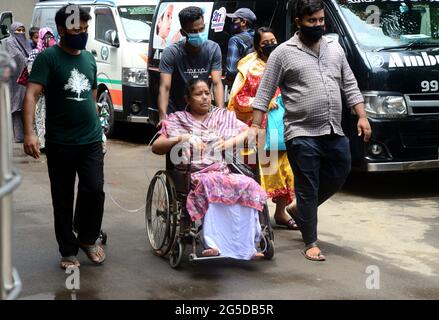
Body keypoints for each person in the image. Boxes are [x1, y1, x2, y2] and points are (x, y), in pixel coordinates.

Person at [251, 0, 372, 261]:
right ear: (299, 22)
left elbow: (349, 84)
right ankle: (310, 241)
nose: (318, 25)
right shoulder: (283, 53)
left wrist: (362, 115)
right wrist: (254, 126)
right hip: (300, 131)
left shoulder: (334, 48)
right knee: (307, 185)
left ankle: (299, 209)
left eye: (320, 20)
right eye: (311, 21)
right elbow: (265, 91)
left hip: (332, 128)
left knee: (341, 169)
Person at [22, 5, 106, 269]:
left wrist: (99, 130)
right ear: (61, 29)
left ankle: (88, 238)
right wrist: (29, 133)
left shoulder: (89, 59)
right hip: (61, 143)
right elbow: (31, 95)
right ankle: (68, 251)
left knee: (94, 189)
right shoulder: (48, 58)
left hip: (91, 139)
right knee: (62, 196)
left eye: (84, 29)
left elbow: (92, 97)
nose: (81, 33)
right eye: (75, 29)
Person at [152, 79, 266, 260]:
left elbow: (251, 134)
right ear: (187, 99)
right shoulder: (178, 119)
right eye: (198, 94)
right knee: (210, 184)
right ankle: (213, 244)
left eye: (207, 93)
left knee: (248, 184)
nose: (205, 97)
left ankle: (248, 245)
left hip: (220, 171)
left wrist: (229, 142)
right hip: (194, 174)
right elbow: (157, 147)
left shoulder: (222, 116)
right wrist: (183, 137)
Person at [228, 27, 298, 230]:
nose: (271, 45)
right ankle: (256, 217)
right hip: (260, 133)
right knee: (261, 175)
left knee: (288, 172)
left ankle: (280, 213)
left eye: (274, 40)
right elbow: (238, 99)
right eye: (266, 43)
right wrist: (261, 102)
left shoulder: (285, 63)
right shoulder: (250, 69)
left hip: (284, 127)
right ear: (257, 46)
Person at [158, 6, 225, 124]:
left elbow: (216, 83)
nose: (199, 34)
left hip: (200, 112)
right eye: (194, 31)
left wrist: (221, 113)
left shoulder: (213, 49)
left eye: (201, 29)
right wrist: (163, 117)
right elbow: (165, 87)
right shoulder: (171, 53)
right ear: (184, 32)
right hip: (176, 113)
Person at [26, 27, 57, 150]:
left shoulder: (56, 53)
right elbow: (30, 71)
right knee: (39, 117)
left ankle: (51, 141)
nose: (49, 39)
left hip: (53, 93)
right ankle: (43, 143)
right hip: (40, 92)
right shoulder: (35, 53)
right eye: (46, 37)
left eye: (51, 37)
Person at [5, 22, 31, 143]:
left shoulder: (26, 42)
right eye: (18, 30)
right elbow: (17, 57)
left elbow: (30, 55)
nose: (20, 33)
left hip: (26, 78)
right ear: (13, 31)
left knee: (25, 105)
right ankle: (18, 136)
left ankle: (24, 134)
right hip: (16, 79)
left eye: (22, 30)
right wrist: (29, 63)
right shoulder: (10, 42)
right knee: (16, 107)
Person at [225, 8, 256, 84]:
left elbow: (231, 71)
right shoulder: (258, 37)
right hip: (257, 82)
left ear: (243, 22)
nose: (232, 23)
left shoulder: (235, 40)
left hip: (242, 86)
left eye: (234, 20)